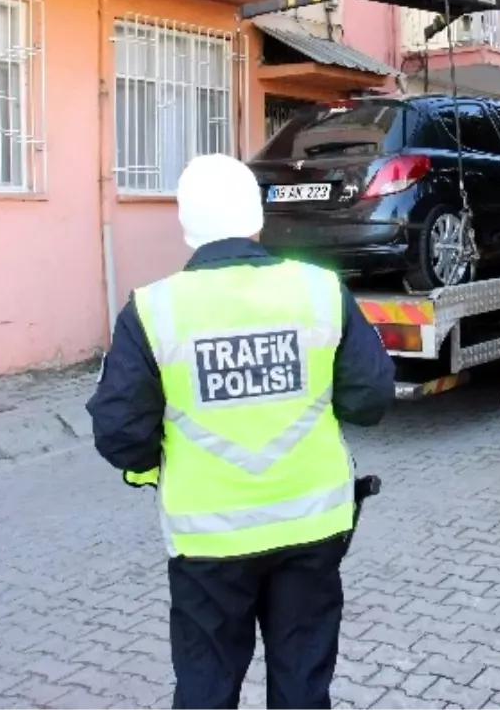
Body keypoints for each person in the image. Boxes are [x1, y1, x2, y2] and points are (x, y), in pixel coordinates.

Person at [87, 153, 396, 709]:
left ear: (187, 229)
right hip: (312, 527)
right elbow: (371, 398)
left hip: (208, 539)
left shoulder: (153, 310)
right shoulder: (319, 290)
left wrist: (152, 468)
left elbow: (118, 431)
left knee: (207, 686)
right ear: (258, 218)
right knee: (303, 685)